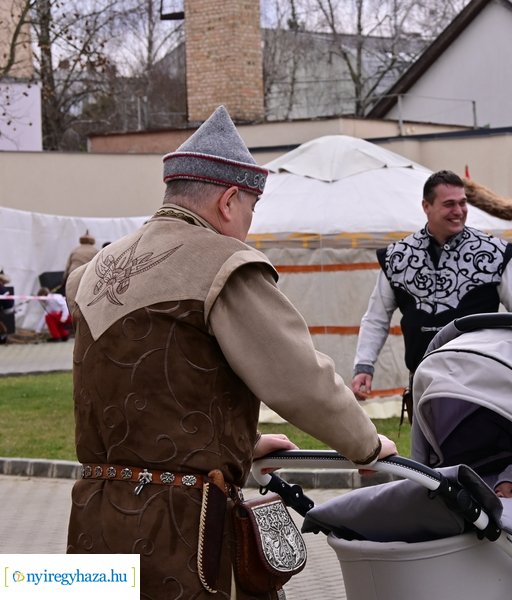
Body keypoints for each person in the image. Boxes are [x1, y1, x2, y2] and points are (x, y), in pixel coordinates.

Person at [65, 105, 398, 600]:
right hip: (180, 532)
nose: (247, 222)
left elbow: (147, 390)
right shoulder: (222, 262)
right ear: (227, 201)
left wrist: (235, 444)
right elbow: (299, 378)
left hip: (94, 519)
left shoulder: (102, 265)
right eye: (251, 208)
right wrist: (367, 445)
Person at [351, 169, 512, 409]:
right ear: (426, 206)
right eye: (449, 204)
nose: (459, 211)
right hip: (424, 380)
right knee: (425, 447)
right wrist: (364, 365)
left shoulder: (493, 254)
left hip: (482, 382)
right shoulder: (399, 257)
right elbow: (376, 318)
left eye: (462, 203)